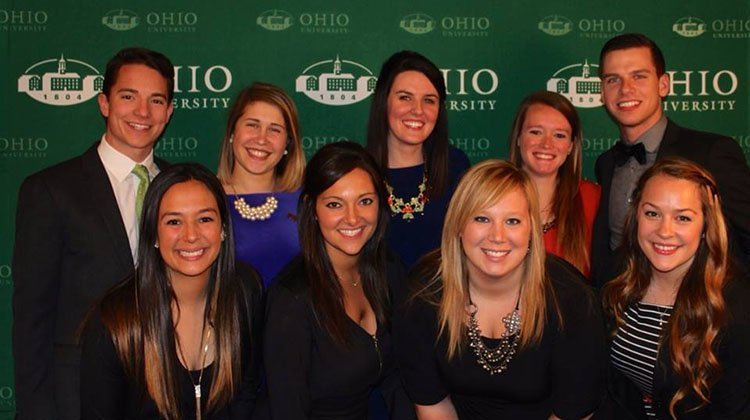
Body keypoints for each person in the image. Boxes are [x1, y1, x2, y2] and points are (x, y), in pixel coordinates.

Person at [12, 47, 175, 419]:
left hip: (166, 394)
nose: (142, 113)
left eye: (156, 100)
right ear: (104, 103)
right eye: (128, 96)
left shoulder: (181, 188)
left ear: (168, 112)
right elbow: (31, 317)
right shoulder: (51, 190)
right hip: (78, 395)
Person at [395, 160, 606, 419]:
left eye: (513, 221)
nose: (497, 236)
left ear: (532, 229)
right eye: (482, 218)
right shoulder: (423, 293)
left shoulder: (572, 300)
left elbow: (574, 410)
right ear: (459, 226)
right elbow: (433, 405)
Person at [80, 163, 262, 419]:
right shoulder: (115, 323)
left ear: (223, 229)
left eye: (205, 219)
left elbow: (246, 395)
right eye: (174, 221)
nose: (190, 235)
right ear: (153, 233)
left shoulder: (245, 290)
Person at [262, 142, 413, 419]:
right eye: (335, 204)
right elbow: (288, 409)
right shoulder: (292, 300)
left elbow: (400, 379)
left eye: (365, 201)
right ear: (312, 208)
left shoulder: (390, 271)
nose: (353, 218)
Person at [592, 32, 750, 287]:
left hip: (702, 318)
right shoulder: (607, 163)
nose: (625, 89)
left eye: (639, 76)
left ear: (663, 85)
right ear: (602, 92)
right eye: (613, 80)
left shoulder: (712, 153)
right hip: (623, 317)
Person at [600, 157, 750, 419]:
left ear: (705, 225)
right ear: (636, 215)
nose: (664, 231)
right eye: (652, 213)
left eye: (682, 217)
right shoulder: (618, 273)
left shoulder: (736, 306)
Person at [366, 50, 470, 268]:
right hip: (374, 301)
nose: (418, 111)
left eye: (429, 100)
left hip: (443, 300)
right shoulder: (358, 171)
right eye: (405, 97)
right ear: (383, 101)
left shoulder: (457, 166)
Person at [217, 82, 305, 287]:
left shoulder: (307, 200)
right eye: (252, 125)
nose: (261, 139)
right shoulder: (206, 199)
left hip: (294, 318)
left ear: (288, 144)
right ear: (232, 132)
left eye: (274, 130)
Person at [509, 91, 600, 277]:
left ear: (571, 146)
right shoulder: (491, 195)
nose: (546, 145)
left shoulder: (592, 198)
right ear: (518, 138)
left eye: (559, 135)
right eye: (536, 132)